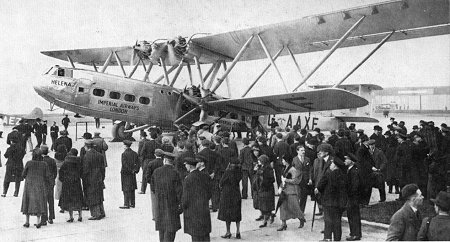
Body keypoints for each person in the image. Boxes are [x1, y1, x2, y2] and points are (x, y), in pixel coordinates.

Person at [151, 151, 182, 242]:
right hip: (172, 204)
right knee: (171, 229)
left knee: (162, 228)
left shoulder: (156, 171)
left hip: (159, 204)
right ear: (172, 162)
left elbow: (153, 187)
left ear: (164, 160)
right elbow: (179, 191)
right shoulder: (175, 173)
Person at [317, 156, 348, 241]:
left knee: (328, 220)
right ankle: (337, 238)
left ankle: (327, 238)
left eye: (332, 163)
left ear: (335, 165)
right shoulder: (343, 174)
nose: (330, 164)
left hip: (328, 201)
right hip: (339, 202)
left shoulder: (328, 173)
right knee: (337, 220)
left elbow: (320, 186)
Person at [182, 157, 212, 241]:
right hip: (204, 209)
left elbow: (185, 198)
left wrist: (183, 207)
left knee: (196, 236)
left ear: (189, 166)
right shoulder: (205, 176)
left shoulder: (188, 179)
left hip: (193, 211)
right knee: (205, 235)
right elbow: (210, 192)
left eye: (186, 165)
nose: (185, 167)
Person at [21, 148, 50, 228]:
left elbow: (23, 174)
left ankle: (27, 221)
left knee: (27, 201)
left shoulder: (29, 163)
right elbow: (47, 176)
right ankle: (38, 222)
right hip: (40, 185)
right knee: (39, 202)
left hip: (29, 185)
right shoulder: (44, 164)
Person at [278, 157, 306, 231]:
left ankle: (301, 218)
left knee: (294, 207)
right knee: (282, 207)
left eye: (283, 160)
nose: (282, 161)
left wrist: (286, 180)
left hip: (292, 191)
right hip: (284, 190)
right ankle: (283, 224)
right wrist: (280, 187)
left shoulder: (293, 170)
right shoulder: (284, 169)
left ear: (287, 161)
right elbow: (282, 180)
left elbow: (296, 181)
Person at [82, 139, 106, 220]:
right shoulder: (99, 155)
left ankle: (96, 214)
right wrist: (102, 177)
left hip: (90, 178)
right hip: (99, 177)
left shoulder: (86, 156)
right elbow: (103, 168)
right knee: (99, 195)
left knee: (92, 196)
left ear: (86, 147)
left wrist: (84, 178)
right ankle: (102, 212)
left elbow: (86, 169)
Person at [218, 161, 243, 239]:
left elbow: (221, 183)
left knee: (227, 214)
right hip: (236, 193)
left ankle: (228, 232)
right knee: (237, 213)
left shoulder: (228, 172)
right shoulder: (239, 172)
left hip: (227, 194)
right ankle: (238, 231)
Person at [58, 148, 83, 222]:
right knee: (78, 198)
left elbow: (61, 172)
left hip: (67, 183)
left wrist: (63, 180)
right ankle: (80, 215)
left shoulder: (66, 162)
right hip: (76, 182)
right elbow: (81, 171)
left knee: (69, 200)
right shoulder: (79, 161)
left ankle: (71, 217)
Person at [343, 153, 362, 241]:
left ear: (352, 161)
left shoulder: (354, 171)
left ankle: (356, 234)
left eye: (347, 159)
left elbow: (355, 186)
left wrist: (348, 194)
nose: (345, 161)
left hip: (353, 197)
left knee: (353, 215)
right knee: (351, 215)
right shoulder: (350, 170)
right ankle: (353, 233)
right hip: (351, 197)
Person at [255, 154, 275, 228]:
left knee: (266, 206)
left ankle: (265, 221)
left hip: (267, 189)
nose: (258, 162)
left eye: (259, 161)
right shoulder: (261, 167)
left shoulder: (268, 169)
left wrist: (264, 183)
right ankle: (269, 215)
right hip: (262, 189)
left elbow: (272, 179)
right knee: (263, 205)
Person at [120, 140, 139, 209]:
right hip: (132, 173)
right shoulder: (135, 153)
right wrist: (135, 170)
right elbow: (138, 163)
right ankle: (132, 203)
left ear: (125, 146)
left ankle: (126, 203)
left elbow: (124, 164)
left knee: (125, 188)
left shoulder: (124, 154)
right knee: (132, 187)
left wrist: (129, 170)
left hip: (125, 173)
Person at [146, 149, 165, 220]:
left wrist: (150, 182)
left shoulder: (151, 163)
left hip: (154, 184)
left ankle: (155, 216)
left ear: (155, 154)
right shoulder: (163, 163)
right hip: (163, 184)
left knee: (154, 201)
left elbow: (147, 175)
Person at [41, 145, 57, 225]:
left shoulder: (40, 161)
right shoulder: (52, 160)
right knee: (50, 200)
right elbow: (55, 172)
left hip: (43, 182)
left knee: (43, 200)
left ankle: (44, 218)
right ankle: (51, 217)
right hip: (50, 182)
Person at [292, 145, 311, 213]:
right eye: (301, 150)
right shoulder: (294, 159)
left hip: (305, 179)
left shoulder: (307, 159)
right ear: (297, 151)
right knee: (297, 195)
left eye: (304, 150)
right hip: (297, 179)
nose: (303, 152)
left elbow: (309, 169)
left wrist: (310, 178)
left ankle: (301, 210)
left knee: (304, 195)